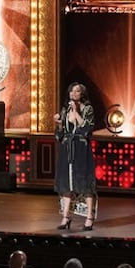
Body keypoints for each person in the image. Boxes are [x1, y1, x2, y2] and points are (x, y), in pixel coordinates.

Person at [53, 82, 98, 230]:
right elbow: (59, 135)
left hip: (81, 148)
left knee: (84, 182)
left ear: (82, 94)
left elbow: (87, 129)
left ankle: (89, 217)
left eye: (77, 91)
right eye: (71, 91)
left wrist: (76, 112)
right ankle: (66, 217)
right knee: (66, 182)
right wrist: (58, 124)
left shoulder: (88, 109)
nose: (73, 93)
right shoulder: (65, 109)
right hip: (67, 148)